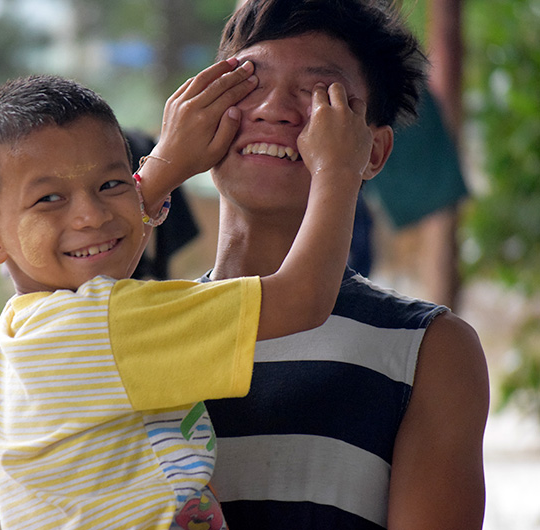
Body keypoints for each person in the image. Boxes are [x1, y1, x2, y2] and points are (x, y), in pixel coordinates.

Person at [0, 59, 376, 529]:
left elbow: (106, 248)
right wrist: (337, 169)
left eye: (111, 184)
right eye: (49, 199)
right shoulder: (103, 325)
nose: (91, 216)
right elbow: (303, 299)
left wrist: (167, 162)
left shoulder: (27, 329)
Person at [200, 1, 491, 529]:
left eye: (321, 96)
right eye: (246, 83)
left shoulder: (427, 351)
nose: (273, 109)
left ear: (373, 152)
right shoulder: (138, 323)